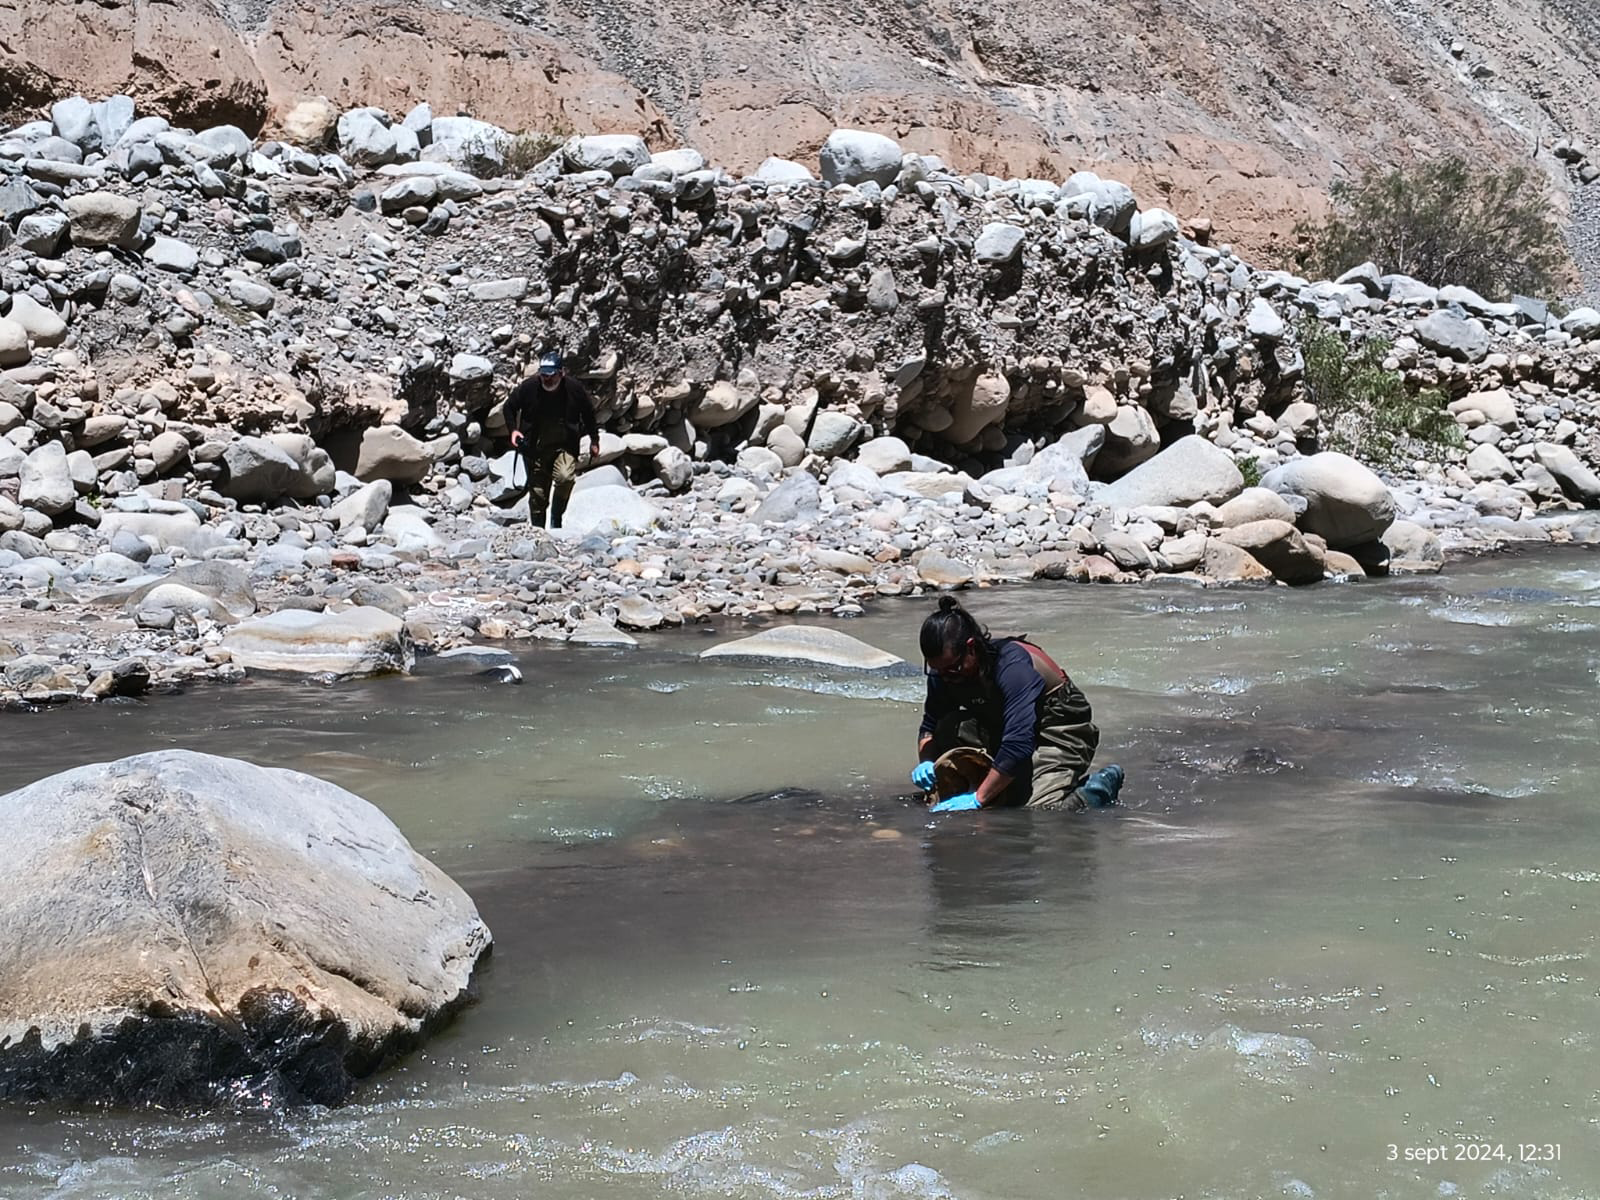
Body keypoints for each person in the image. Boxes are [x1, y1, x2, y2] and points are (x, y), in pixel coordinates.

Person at [911, 596, 1124, 813]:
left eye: (953, 669)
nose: (945, 677)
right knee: (947, 728)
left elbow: (1018, 744)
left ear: (971, 648)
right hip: (1004, 725)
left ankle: (1095, 789)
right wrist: (927, 763)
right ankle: (1008, 784)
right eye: (936, 670)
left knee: (1037, 813)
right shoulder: (945, 670)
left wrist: (978, 799)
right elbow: (929, 727)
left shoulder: (1012, 667)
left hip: (1058, 727)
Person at [503, 351, 600, 529]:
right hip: (534, 448)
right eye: (543, 375)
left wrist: (594, 439)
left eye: (551, 376)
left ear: (561, 373)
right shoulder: (529, 387)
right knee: (538, 494)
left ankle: (557, 518)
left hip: (565, 446)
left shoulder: (574, 388)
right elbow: (509, 407)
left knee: (565, 478)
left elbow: (588, 413)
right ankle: (538, 531)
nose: (547, 380)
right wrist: (513, 431)